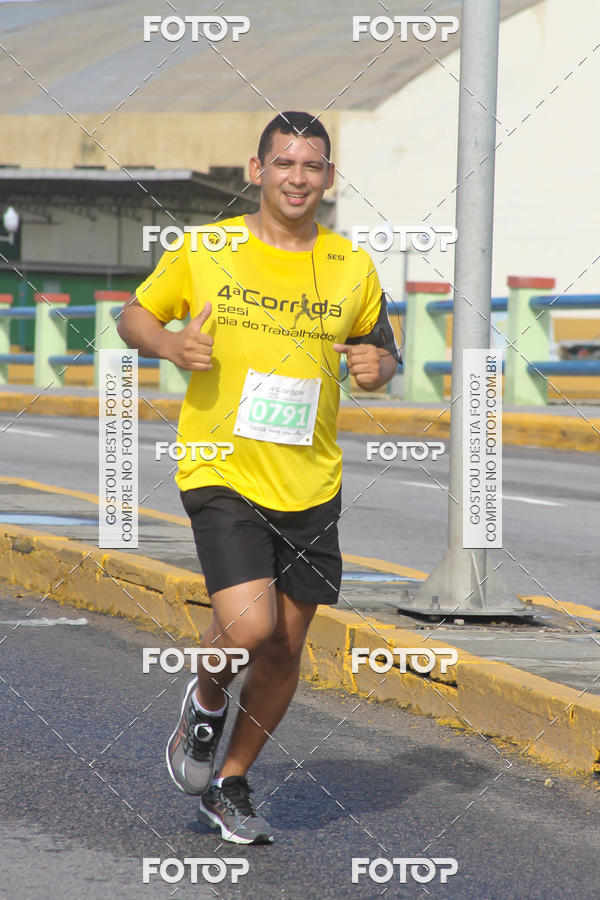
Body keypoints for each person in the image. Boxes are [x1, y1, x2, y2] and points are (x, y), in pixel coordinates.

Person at [117, 111, 399, 845]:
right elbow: (132, 316)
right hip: (222, 465)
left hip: (311, 480)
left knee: (282, 648)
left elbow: (379, 352)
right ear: (257, 169)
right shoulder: (207, 247)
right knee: (248, 625)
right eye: (284, 163)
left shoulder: (351, 265)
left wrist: (378, 369)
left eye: (311, 166)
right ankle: (207, 702)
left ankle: (231, 784)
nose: (297, 178)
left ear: (328, 177)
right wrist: (170, 345)